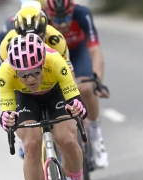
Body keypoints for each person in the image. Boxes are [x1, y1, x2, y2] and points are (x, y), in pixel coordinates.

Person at [0, 33, 94, 180]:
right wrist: (7, 120)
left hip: (55, 92)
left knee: (66, 138)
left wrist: (78, 108)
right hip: (25, 99)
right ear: (14, 70)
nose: (30, 79)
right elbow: (7, 113)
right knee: (31, 145)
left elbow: (76, 100)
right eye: (23, 75)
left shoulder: (55, 61)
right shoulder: (5, 72)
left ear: (43, 63)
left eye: (35, 72)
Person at [0, 2, 74, 159]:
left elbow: (67, 75)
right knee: (31, 142)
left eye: (39, 37)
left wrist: (73, 100)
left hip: (52, 84)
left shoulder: (56, 39)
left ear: (45, 31)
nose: (33, 41)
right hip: (25, 90)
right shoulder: (7, 45)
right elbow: (8, 80)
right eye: (26, 37)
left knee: (65, 135)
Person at [45, 0, 110, 168]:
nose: (63, 24)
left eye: (67, 17)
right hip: (55, 57)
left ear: (72, 11)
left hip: (77, 52)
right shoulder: (42, 19)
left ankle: (96, 136)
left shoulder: (82, 13)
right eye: (57, 20)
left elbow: (95, 51)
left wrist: (97, 80)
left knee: (86, 88)